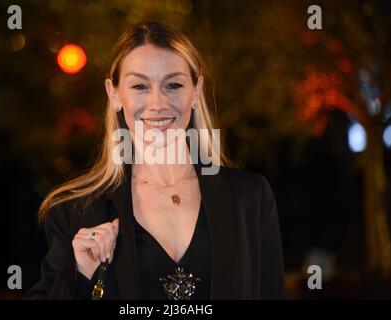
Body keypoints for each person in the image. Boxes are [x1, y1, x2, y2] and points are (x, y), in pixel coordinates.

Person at [26, 21, 285, 300]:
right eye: (140, 85)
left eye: (173, 84)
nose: (158, 103)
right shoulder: (74, 213)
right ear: (114, 94)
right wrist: (80, 276)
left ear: (196, 92)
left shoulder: (250, 198)